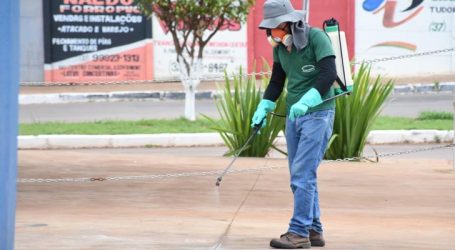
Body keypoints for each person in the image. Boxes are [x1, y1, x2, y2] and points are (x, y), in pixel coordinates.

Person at [251, 0, 339, 248]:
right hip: (294, 116)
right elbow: (277, 82)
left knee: (302, 174)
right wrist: (265, 105)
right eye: (269, 29)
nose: (272, 33)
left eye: (275, 27)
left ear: (289, 23)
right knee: (302, 176)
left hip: (318, 114)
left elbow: (328, 74)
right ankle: (314, 230)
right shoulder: (280, 48)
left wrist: (309, 100)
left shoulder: (317, 38)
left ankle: (298, 232)